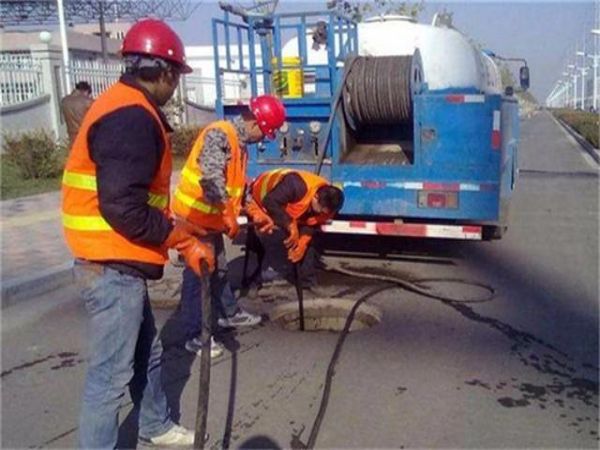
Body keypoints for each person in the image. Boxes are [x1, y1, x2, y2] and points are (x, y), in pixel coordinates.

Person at [61, 19, 212, 448]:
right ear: (164, 72)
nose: (177, 86)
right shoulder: (130, 116)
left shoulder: (123, 105)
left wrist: (181, 230)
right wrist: (182, 238)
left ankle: (156, 425)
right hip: (110, 267)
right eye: (177, 77)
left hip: (118, 261)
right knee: (109, 380)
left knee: (149, 354)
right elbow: (123, 208)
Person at [171, 94, 286, 357]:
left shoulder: (238, 143)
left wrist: (255, 213)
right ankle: (196, 335)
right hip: (194, 221)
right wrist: (227, 213)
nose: (262, 140)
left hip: (211, 221)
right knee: (198, 277)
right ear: (255, 124)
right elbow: (211, 178)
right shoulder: (219, 134)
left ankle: (228, 313)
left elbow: (237, 187)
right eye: (265, 133)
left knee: (219, 270)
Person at [245, 169, 344, 287]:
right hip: (261, 198)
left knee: (306, 245)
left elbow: (312, 223)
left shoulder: (328, 206)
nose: (322, 214)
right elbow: (270, 201)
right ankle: (252, 280)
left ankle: (306, 282)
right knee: (261, 237)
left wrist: (302, 243)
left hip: (288, 206)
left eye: (326, 212)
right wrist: (290, 225)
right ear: (315, 197)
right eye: (321, 210)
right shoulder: (295, 185)